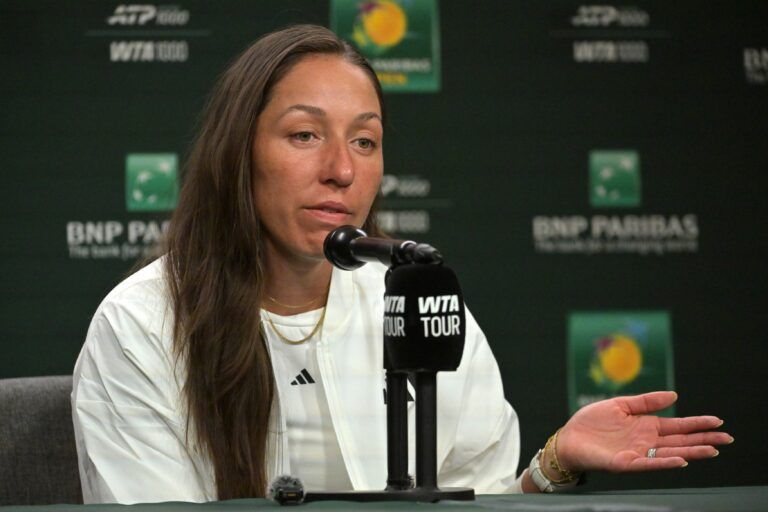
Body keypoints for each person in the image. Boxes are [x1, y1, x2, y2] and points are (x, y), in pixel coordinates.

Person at [71, 24, 732, 504]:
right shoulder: (140, 327)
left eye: (365, 140)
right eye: (305, 135)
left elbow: (485, 493)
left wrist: (550, 467)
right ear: (237, 154)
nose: (341, 169)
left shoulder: (413, 300)